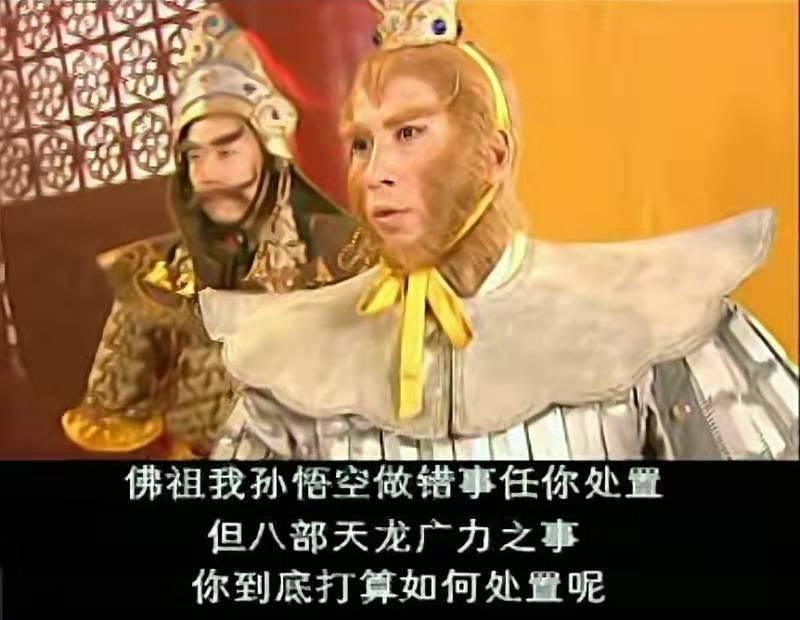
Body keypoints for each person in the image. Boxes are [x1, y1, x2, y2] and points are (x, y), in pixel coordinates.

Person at [200, 0, 797, 460]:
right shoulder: (294, 360)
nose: (374, 172)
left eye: (409, 133)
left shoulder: (655, 321)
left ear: (493, 155)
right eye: (361, 143)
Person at [61, 4, 374, 459]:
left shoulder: (352, 261)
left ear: (272, 152)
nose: (206, 173)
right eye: (193, 156)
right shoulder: (155, 281)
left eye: (226, 152)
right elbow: (119, 412)